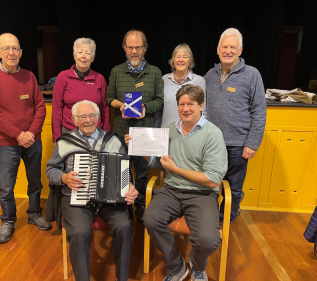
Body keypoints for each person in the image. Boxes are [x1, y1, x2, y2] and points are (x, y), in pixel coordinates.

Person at [125, 85, 227, 281]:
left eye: (191, 104)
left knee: (208, 240)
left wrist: (175, 169)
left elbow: (213, 179)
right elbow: (158, 163)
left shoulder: (213, 134)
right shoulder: (170, 129)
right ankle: (176, 267)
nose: (186, 108)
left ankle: (198, 266)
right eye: (182, 104)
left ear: (201, 106)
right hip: (171, 189)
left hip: (202, 193)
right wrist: (139, 148)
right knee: (150, 218)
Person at [46, 100, 138, 281]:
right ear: (74, 120)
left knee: (124, 227)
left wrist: (130, 186)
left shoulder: (113, 140)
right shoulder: (65, 141)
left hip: (110, 199)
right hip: (76, 197)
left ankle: (122, 277)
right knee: (79, 232)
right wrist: (64, 178)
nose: (88, 120)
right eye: (82, 116)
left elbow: (124, 170)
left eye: (92, 115)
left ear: (99, 118)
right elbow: (51, 169)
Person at [0, 33, 51, 244]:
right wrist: (18, 135)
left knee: (35, 182)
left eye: (15, 48)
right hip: (6, 144)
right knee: (6, 187)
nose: (11, 52)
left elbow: (40, 107)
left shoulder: (29, 77)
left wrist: (30, 133)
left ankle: (34, 213)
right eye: (6, 48)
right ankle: (8, 220)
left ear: (20, 52)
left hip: (33, 141)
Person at [204, 28, 266, 224]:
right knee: (210, 185)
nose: (228, 51)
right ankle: (210, 220)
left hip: (238, 145)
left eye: (233, 47)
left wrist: (252, 143)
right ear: (217, 49)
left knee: (234, 188)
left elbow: (259, 112)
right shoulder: (209, 75)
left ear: (240, 50)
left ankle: (226, 222)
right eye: (225, 47)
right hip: (211, 144)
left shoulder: (252, 74)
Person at [106, 29, 164, 221]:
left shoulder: (155, 72)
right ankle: (123, 207)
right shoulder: (116, 71)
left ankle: (139, 205)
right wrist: (120, 105)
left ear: (144, 49)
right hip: (121, 133)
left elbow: (160, 100)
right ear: (125, 49)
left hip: (144, 134)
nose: (134, 51)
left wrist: (145, 108)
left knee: (141, 174)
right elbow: (109, 98)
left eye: (137, 47)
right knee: (122, 172)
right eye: (130, 47)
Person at [52, 37, 110, 143]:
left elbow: (105, 108)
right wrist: (57, 136)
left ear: (92, 58)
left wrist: (106, 134)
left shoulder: (100, 78)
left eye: (88, 53)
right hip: (69, 131)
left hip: (95, 132)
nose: (83, 56)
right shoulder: (63, 77)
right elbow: (57, 108)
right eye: (80, 52)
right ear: (74, 55)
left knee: (95, 160)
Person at [161, 43, 206, 128]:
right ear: (173, 61)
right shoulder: (164, 80)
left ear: (190, 61)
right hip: (166, 133)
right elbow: (158, 110)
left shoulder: (199, 81)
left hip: (191, 133)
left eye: (185, 57)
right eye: (178, 57)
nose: (181, 60)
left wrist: (203, 131)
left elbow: (203, 110)